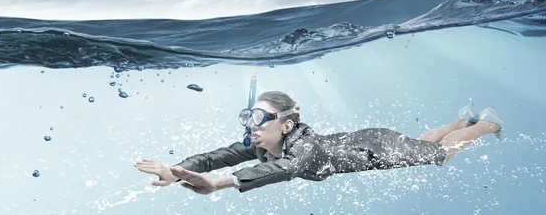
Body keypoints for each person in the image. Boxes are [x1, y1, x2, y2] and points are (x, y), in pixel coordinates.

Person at [134, 91, 503, 194]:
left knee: (439, 154)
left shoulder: (302, 147)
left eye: (261, 119)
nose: (252, 126)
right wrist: (175, 170)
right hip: (365, 138)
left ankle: (485, 123)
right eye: (248, 118)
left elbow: (288, 168)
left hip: (371, 149)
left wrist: (219, 184)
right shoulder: (261, 142)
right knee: (420, 145)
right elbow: (215, 157)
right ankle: (461, 119)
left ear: (287, 124)